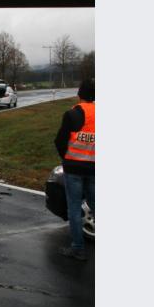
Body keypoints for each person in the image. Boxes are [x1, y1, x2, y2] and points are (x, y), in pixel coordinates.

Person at [54, 79, 95, 261]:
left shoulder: (72, 114)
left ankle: (78, 248)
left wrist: (66, 158)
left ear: (79, 95)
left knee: (74, 208)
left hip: (73, 168)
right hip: (94, 167)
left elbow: (60, 141)